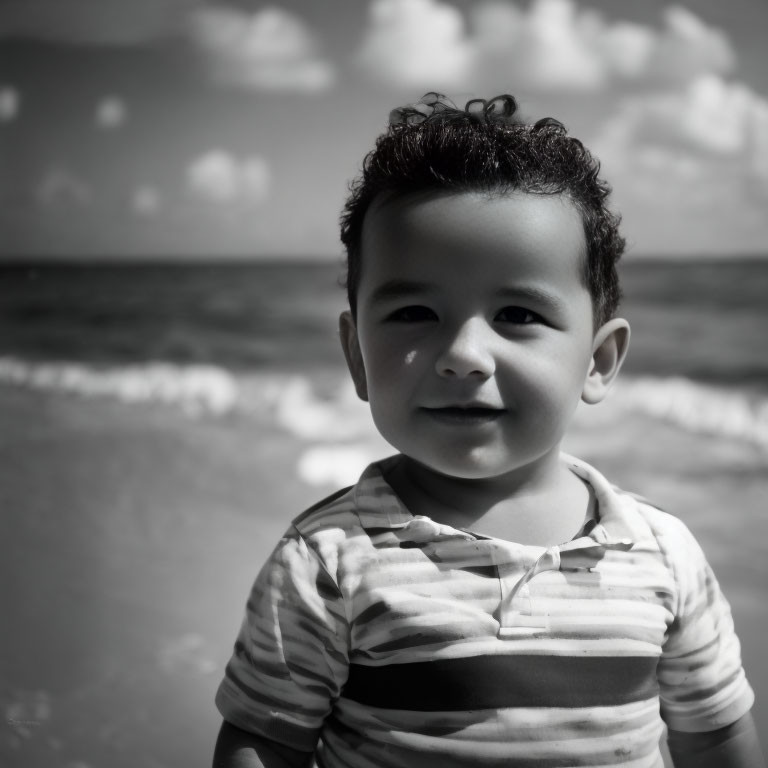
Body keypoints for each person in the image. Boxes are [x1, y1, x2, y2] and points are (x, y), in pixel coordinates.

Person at [212, 93, 764, 768]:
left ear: (597, 361)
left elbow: (715, 739)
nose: (465, 353)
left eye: (518, 314)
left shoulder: (662, 557)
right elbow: (265, 742)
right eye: (415, 312)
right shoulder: (326, 562)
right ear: (357, 356)